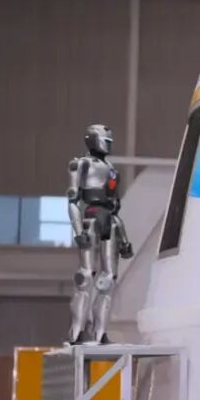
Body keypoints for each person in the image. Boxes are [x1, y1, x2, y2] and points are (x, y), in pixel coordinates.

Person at [67, 124, 133, 344]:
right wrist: (78, 232)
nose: (108, 145)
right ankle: (77, 332)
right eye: (105, 140)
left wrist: (124, 241)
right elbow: (73, 200)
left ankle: (100, 333)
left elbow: (115, 210)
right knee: (85, 276)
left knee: (108, 280)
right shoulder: (81, 164)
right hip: (91, 218)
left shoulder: (112, 169)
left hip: (109, 221)